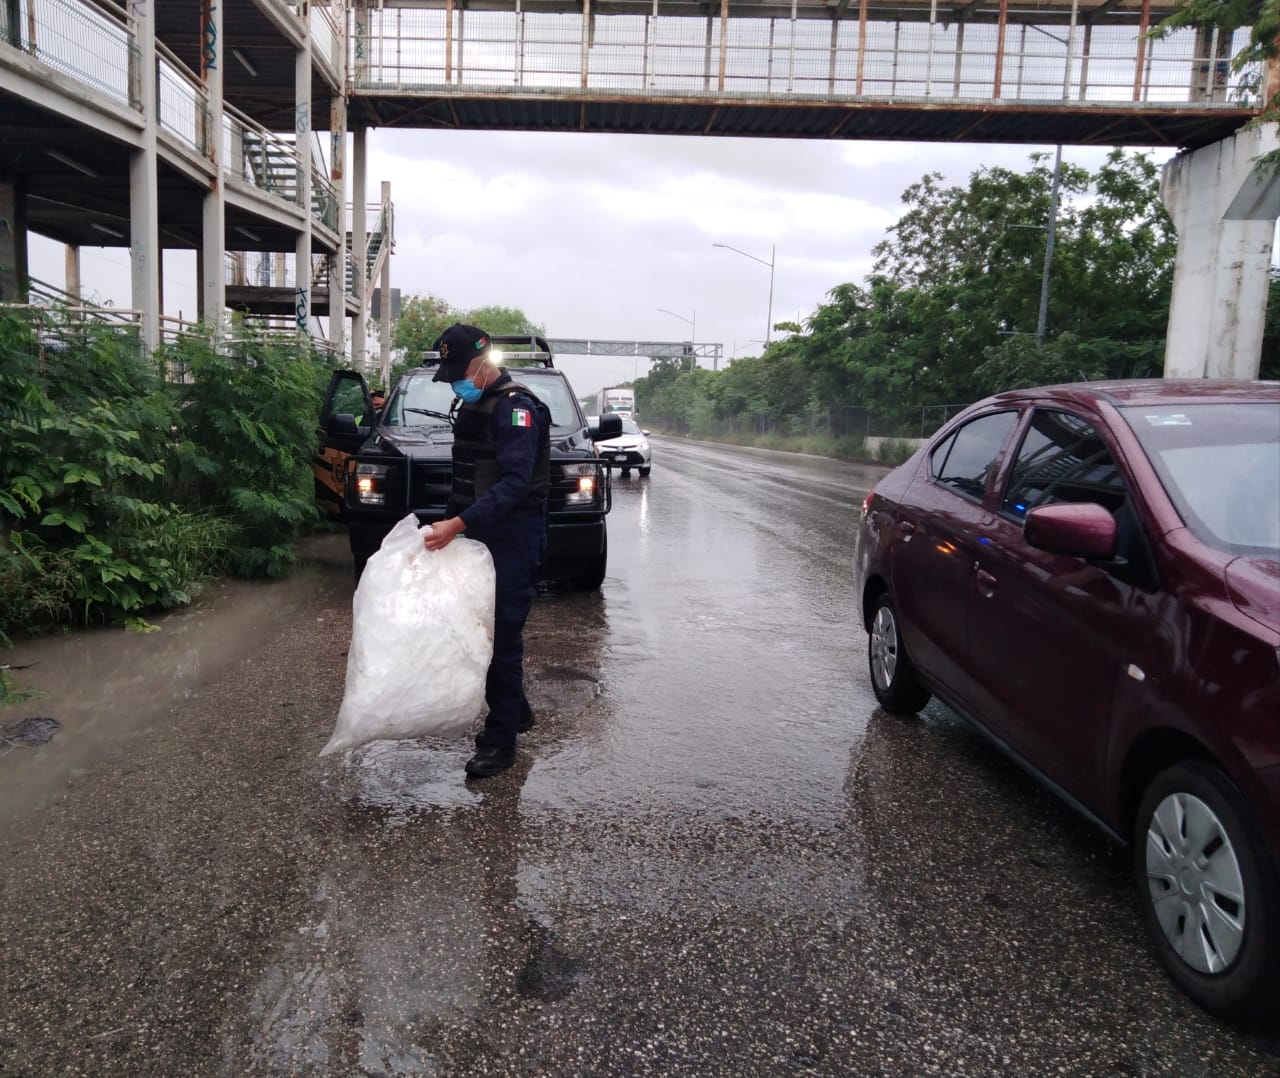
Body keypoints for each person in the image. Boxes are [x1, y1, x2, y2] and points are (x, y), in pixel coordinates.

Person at [423, 323, 550, 778]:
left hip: (514, 538)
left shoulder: (517, 410)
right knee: (482, 629)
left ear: (482, 364)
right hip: (479, 536)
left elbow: (515, 483)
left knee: (503, 637)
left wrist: (458, 524)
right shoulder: (474, 405)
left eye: (460, 372)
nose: (456, 381)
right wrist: (448, 528)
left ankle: (500, 744)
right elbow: (467, 476)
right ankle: (515, 710)